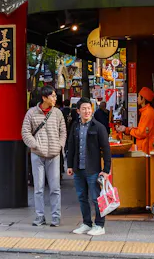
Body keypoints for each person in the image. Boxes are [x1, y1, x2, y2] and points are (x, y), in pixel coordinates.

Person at [66, 98, 112, 237]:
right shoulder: (75, 126)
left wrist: (106, 170)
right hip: (78, 168)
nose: (87, 111)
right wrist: (69, 165)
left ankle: (99, 224)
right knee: (81, 197)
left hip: (93, 169)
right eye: (84, 109)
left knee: (95, 198)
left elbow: (106, 149)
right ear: (78, 111)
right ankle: (87, 223)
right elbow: (71, 146)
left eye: (89, 108)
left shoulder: (98, 127)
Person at [23, 85, 67, 227]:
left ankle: (56, 217)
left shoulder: (58, 113)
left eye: (55, 96)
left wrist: (59, 145)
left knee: (55, 188)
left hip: (54, 154)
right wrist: (34, 144)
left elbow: (63, 131)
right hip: (37, 154)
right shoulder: (31, 113)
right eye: (52, 96)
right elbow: (25, 132)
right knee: (39, 188)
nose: (55, 98)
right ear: (44, 98)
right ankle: (39, 216)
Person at [119, 87, 154, 155]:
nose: (137, 98)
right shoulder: (146, 111)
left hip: (147, 149)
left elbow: (141, 133)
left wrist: (129, 130)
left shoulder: (148, 112)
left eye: (138, 96)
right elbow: (141, 130)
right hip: (145, 148)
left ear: (143, 99)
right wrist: (126, 129)